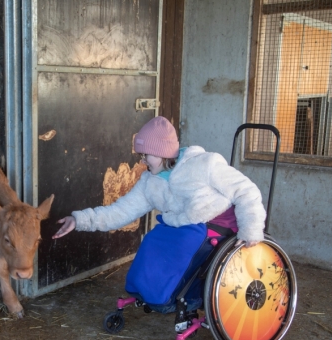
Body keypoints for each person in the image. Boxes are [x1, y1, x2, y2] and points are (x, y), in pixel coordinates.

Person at [53, 116, 266, 311]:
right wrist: (79, 219)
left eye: (145, 155)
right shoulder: (150, 182)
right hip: (184, 226)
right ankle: (154, 294)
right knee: (154, 238)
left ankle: (183, 297)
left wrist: (251, 230)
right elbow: (121, 211)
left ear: (162, 152)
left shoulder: (204, 164)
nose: (142, 161)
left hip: (219, 225)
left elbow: (246, 191)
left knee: (184, 242)